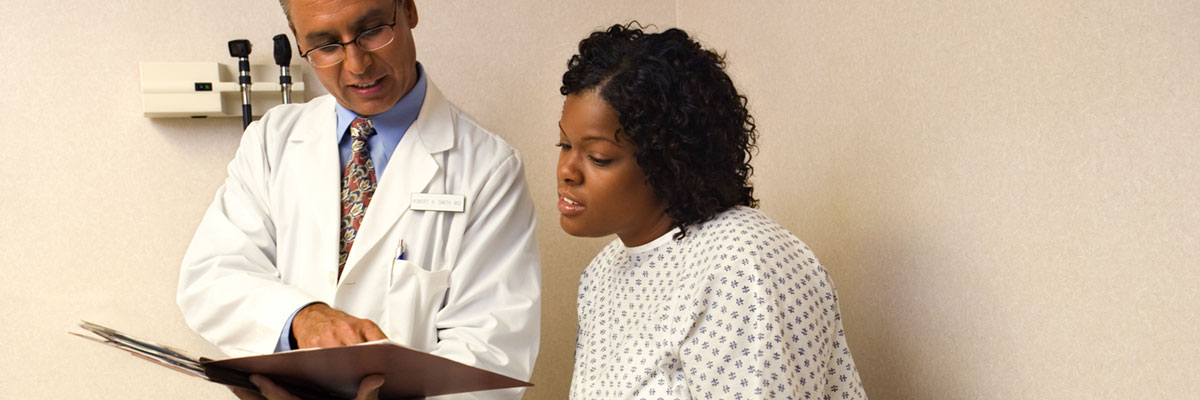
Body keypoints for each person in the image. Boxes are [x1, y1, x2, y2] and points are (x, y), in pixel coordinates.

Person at [176, 0, 541, 398]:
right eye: (326, 45)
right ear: (298, 40)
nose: (357, 65)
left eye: (371, 31)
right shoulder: (271, 141)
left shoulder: (488, 168)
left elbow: (490, 352)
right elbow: (211, 277)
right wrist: (302, 318)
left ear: (409, 10)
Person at [556, 24, 867, 399]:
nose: (566, 171)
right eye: (564, 144)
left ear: (667, 161)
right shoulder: (601, 275)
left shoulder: (744, 262)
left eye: (598, 157)